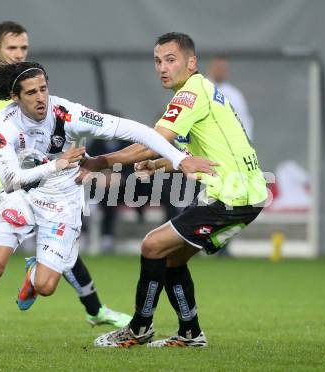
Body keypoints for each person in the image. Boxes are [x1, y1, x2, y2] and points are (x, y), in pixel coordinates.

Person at [0, 61, 215, 351]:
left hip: (63, 202)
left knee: (45, 287)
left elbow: (133, 130)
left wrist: (179, 159)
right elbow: (9, 180)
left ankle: (33, 276)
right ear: (15, 97)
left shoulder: (67, 113)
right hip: (22, 196)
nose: (40, 97)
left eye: (43, 89)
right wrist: (57, 164)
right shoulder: (4, 122)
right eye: (31, 92)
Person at [0, 21, 131, 333]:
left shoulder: (28, 88)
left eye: (23, 48)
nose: (19, 54)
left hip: (32, 182)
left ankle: (95, 309)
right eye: (12, 48)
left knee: (60, 248)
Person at [88, 32, 267, 348]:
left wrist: (99, 161)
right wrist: (157, 166)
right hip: (245, 196)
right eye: (157, 61)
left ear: (192, 62)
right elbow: (194, 157)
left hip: (229, 196)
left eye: (170, 60)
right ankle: (190, 333)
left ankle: (139, 328)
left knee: (152, 246)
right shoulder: (205, 92)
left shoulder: (190, 94)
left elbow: (151, 142)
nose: (162, 68)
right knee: (171, 258)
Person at [207, 56, 254, 140]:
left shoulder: (235, 95)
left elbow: (244, 120)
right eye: (218, 68)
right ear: (211, 68)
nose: (220, 71)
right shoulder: (200, 87)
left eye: (223, 69)